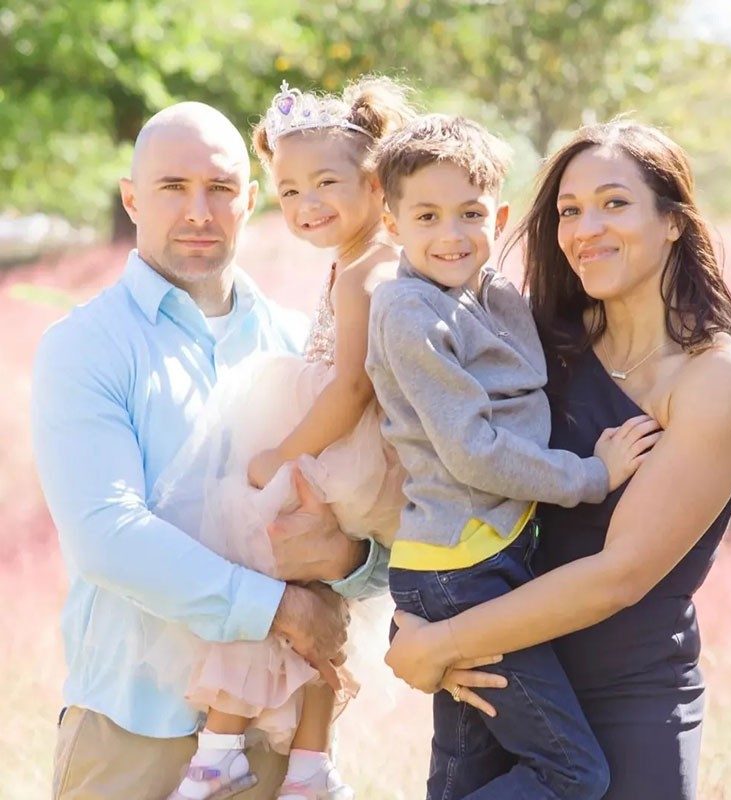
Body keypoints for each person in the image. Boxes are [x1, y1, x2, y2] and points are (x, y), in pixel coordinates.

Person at [382, 119, 731, 800]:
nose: (584, 228)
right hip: (507, 681)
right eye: (569, 210)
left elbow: (618, 576)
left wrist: (439, 642)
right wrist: (412, 614)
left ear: (673, 223)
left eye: (614, 203)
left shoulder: (718, 378)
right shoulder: (542, 343)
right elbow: (431, 457)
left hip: (628, 706)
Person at [30, 101, 389, 800]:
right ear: (132, 200)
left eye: (221, 188)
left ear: (250, 200)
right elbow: (107, 535)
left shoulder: (307, 346)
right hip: (134, 740)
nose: (200, 210)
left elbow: (374, 521)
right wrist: (278, 607)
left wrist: (350, 561)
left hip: (282, 746)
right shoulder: (86, 346)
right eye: (172, 188)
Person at [365, 114, 661, 800]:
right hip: (457, 573)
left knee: (467, 772)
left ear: (497, 215)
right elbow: (472, 453)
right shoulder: (408, 312)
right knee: (573, 774)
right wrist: (592, 477)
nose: (451, 235)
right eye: (428, 216)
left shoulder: (496, 295)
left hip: (488, 559)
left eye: (470, 214)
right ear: (392, 224)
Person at [150, 77, 416, 800]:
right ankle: (308, 764)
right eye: (290, 191)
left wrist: (281, 454)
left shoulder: (371, 267)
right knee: (313, 590)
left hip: (345, 450)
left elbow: (353, 386)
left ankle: (221, 745)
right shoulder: (354, 263)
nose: (306, 206)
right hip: (345, 448)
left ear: (374, 180)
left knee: (255, 552)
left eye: (325, 183)